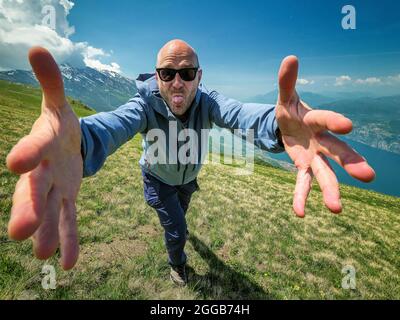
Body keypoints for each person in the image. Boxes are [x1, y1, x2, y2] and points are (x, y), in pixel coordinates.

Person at [6, 39, 375, 286]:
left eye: (187, 73)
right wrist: (82, 142)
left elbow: (238, 114)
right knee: (177, 228)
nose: (177, 82)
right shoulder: (143, 104)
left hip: (187, 180)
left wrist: (278, 128)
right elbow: (114, 126)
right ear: (157, 77)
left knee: (181, 214)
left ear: (199, 76)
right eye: (168, 73)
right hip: (157, 179)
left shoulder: (208, 101)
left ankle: (178, 239)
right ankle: (177, 266)